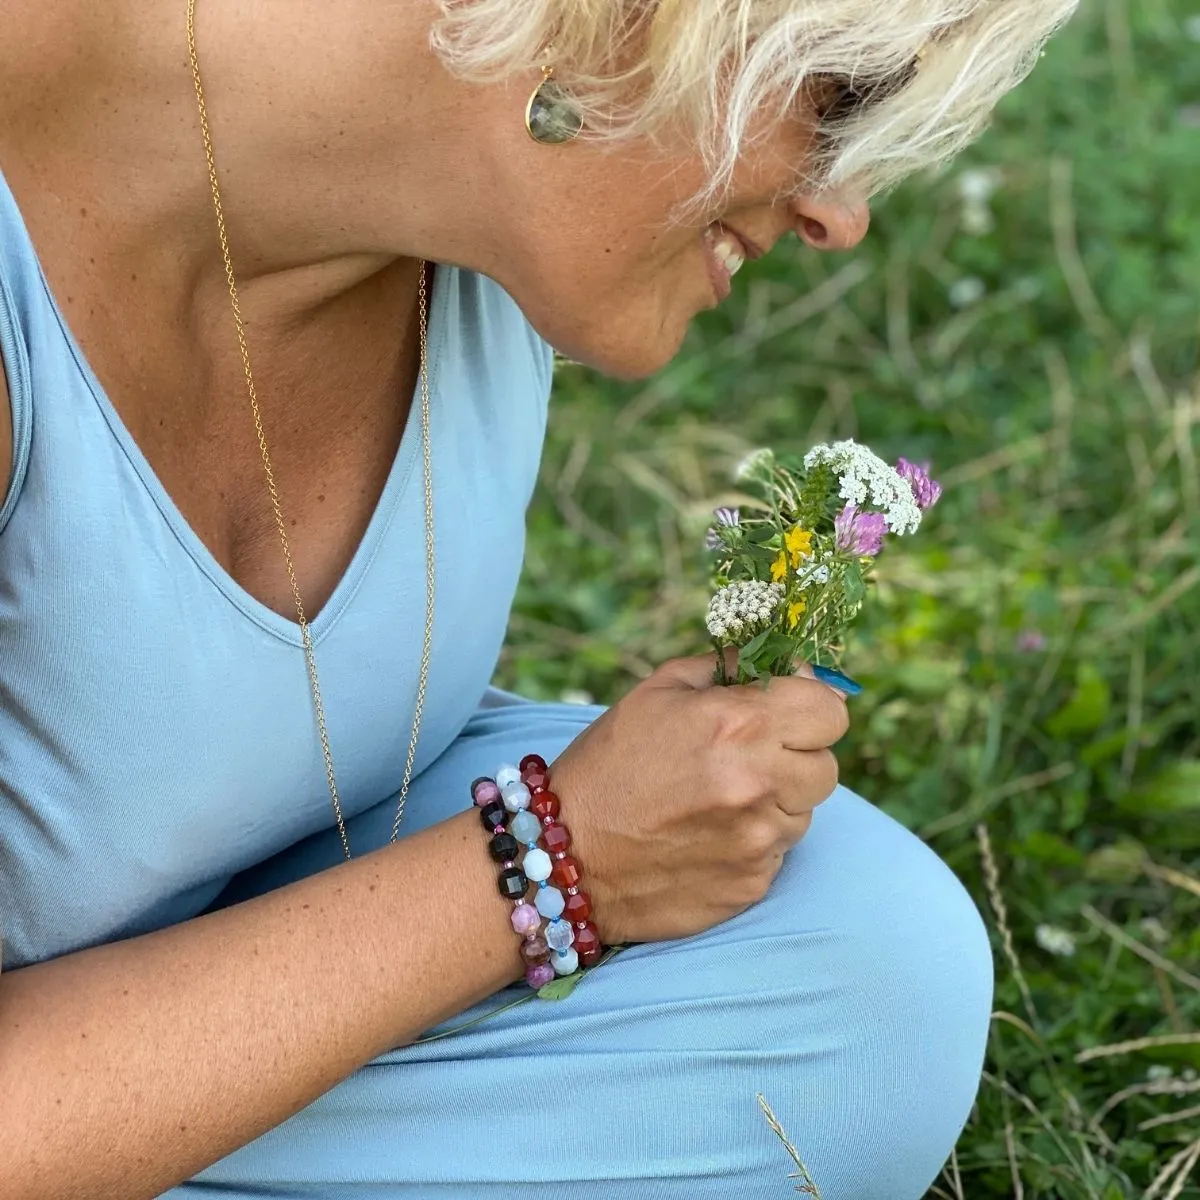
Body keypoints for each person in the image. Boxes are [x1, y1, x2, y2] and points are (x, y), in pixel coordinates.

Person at [0, 1, 1075, 1196]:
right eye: (839, 93)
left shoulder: (472, 212)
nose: (839, 212)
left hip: (168, 991)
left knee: (870, 981)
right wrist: (556, 863)